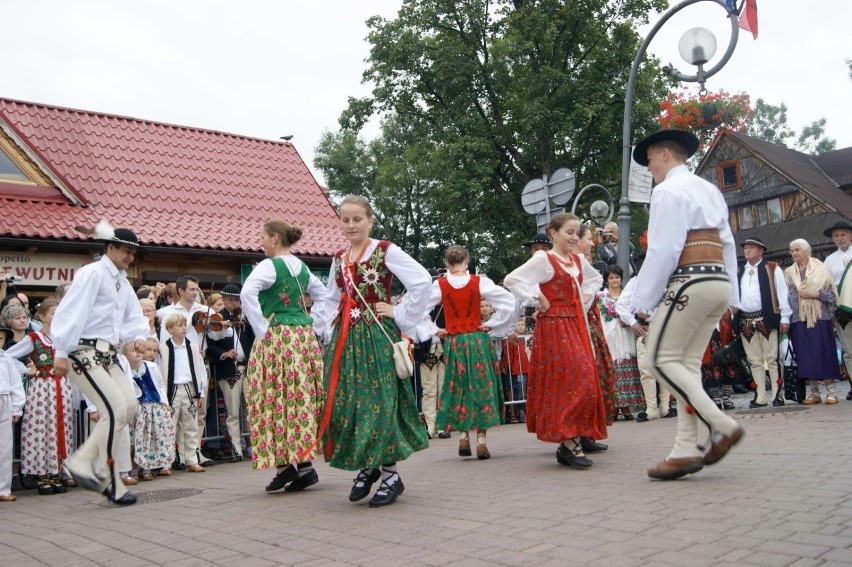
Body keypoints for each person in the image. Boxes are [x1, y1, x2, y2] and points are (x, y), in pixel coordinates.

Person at [629, 129, 744, 481]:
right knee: (686, 367)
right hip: (717, 281)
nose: (649, 169)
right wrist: (733, 295)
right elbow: (727, 243)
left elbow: (664, 249)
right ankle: (685, 449)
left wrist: (642, 301)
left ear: (664, 154)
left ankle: (721, 424)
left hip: (690, 280)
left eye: (649, 161)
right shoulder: (709, 189)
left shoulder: (667, 191)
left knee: (658, 360)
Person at [312, 195, 431, 507]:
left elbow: (421, 282)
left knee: (379, 402)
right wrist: (324, 330)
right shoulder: (339, 257)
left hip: (376, 336)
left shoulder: (385, 251)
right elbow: (328, 297)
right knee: (347, 402)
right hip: (346, 340)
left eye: (357, 219)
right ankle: (368, 464)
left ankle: (390, 474)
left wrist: (399, 313)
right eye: (345, 219)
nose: (351, 225)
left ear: (370, 220)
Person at [50, 223, 150, 505]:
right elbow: (73, 311)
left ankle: (83, 460)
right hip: (82, 350)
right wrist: (60, 349)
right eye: (126, 251)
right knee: (114, 408)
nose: (130, 257)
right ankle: (106, 474)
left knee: (129, 406)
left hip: (108, 353)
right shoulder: (92, 273)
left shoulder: (121, 282)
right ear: (110, 248)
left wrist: (140, 336)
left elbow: (133, 316)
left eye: (133, 253)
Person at [504, 213, 607, 469]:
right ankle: (569, 443)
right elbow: (512, 280)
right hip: (554, 326)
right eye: (569, 232)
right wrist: (537, 297)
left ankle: (572, 440)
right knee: (573, 378)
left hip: (575, 323)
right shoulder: (544, 259)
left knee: (586, 377)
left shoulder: (578, 260)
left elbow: (595, 279)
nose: (574, 237)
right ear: (553, 233)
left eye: (576, 232)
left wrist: (586, 295)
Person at [240, 220, 325, 492]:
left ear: (275, 238)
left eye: (263, 237)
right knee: (299, 396)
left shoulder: (268, 265)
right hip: (303, 336)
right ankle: (304, 464)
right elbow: (323, 295)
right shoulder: (301, 266)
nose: (261, 242)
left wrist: (261, 327)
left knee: (273, 395)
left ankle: (286, 465)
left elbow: (246, 292)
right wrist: (316, 323)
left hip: (278, 338)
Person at [423, 245, 516, 459]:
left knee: (459, 386)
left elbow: (420, 310)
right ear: (467, 261)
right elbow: (509, 302)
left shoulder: (440, 284)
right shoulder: (479, 282)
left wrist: (435, 330)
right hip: (477, 338)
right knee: (481, 385)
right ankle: (481, 441)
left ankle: (463, 436)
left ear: (447, 263)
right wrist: (493, 324)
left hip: (455, 341)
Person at [3, 299, 74, 495]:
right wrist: (26, 370)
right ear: (41, 317)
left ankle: (56, 472)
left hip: (61, 387)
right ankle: (42, 475)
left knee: (60, 428)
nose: (56, 316)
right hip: (42, 389)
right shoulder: (34, 338)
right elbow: (7, 356)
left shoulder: (64, 338)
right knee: (42, 429)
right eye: (52, 313)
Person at [734, 237, 792, 408]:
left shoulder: (772, 268)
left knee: (772, 359)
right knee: (754, 360)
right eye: (746, 248)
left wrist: (785, 317)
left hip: (766, 318)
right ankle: (760, 395)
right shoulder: (740, 271)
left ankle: (777, 394)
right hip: (746, 320)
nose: (747, 250)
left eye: (751, 247)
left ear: (761, 250)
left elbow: (782, 294)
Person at [785, 238, 842, 404]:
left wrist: (815, 294)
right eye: (792, 250)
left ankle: (831, 392)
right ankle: (814, 393)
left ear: (806, 251)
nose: (794, 253)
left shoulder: (820, 269)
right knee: (805, 356)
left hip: (819, 318)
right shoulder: (789, 273)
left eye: (797, 250)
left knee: (823, 352)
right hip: (798, 319)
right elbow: (786, 297)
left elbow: (831, 295)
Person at [207, 283, 254, 463]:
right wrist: (224, 354)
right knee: (233, 412)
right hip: (230, 370)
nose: (234, 303)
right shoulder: (218, 319)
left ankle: (255, 447)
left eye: (237, 300)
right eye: (231, 300)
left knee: (251, 410)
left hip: (247, 368)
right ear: (224, 299)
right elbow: (210, 345)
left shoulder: (244, 318)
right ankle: (236, 449)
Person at [615, 278, 673, 422]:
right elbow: (621, 304)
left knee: (664, 367)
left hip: (665, 325)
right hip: (647, 328)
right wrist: (633, 322)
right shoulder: (637, 280)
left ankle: (665, 406)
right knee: (646, 369)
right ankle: (652, 407)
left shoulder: (669, 275)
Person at [159, 313, 208, 473]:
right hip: (171, 390)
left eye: (184, 325)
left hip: (189, 388)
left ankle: (191, 460)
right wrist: (162, 396)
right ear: (170, 329)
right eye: (179, 325)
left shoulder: (192, 346)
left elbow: (199, 369)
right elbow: (160, 372)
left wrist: (200, 392)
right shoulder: (163, 348)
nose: (183, 328)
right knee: (169, 427)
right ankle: (166, 462)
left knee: (191, 426)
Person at [121, 342, 174, 482]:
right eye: (133, 351)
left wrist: (164, 403)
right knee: (135, 440)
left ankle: (147, 468)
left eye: (139, 350)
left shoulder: (152, 367)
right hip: (138, 409)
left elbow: (161, 385)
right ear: (125, 356)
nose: (138, 353)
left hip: (153, 407)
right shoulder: (124, 371)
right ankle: (132, 468)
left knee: (150, 438)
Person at [598, 265, 644, 421]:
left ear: (621, 279)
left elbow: (636, 311)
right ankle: (614, 407)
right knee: (613, 370)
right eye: (611, 277)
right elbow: (601, 317)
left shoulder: (628, 295)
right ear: (606, 280)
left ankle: (627, 406)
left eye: (617, 277)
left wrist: (629, 320)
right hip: (611, 336)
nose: (614, 280)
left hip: (626, 335)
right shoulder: (602, 297)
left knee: (628, 368)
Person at [822, 220, 852, 401]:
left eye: (843, 235)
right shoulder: (829, 260)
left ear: (851, 236)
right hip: (842, 311)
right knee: (849, 351)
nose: (840, 238)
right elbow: (827, 288)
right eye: (836, 236)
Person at [0, 348, 25, 502]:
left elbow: (16, 384)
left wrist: (17, 407)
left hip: (4, 400)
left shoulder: (6, 359)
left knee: (4, 447)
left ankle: (3, 488)